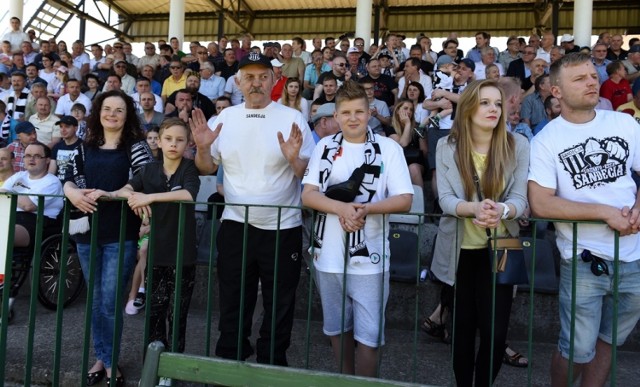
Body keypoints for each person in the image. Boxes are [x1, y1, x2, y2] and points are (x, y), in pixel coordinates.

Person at [191, 53, 315, 366]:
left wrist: (293, 160)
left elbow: (307, 176)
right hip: (235, 226)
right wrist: (204, 148)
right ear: (239, 82)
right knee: (233, 299)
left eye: (262, 76)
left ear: (274, 79)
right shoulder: (225, 118)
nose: (256, 83)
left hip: (282, 227)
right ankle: (230, 362)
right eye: (249, 77)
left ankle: (272, 364)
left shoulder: (292, 118)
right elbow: (206, 168)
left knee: (280, 303)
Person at [528, 52, 640, 387]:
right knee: (576, 349)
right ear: (556, 91)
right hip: (583, 258)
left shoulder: (624, 123)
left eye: (593, 75)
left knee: (610, 340)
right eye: (579, 79)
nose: (591, 82)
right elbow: (540, 204)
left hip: (635, 256)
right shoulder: (547, 139)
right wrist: (605, 213)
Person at [301, 80, 413, 376]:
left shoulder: (388, 148)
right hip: (328, 257)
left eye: (359, 112)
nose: (353, 118)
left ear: (370, 113)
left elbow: (405, 199)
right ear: (335, 116)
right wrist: (342, 209)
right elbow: (308, 194)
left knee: (370, 336)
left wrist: (366, 209)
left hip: (371, 258)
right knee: (336, 329)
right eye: (346, 112)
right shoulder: (324, 146)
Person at [431, 79, 529, 387]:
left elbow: (520, 199)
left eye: (498, 104)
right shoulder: (446, 146)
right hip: (460, 251)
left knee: (496, 332)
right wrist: (472, 209)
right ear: (469, 106)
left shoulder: (518, 145)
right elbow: (445, 199)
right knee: (462, 329)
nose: (493, 109)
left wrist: (501, 211)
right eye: (485, 102)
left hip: (502, 247)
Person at [63, 90, 154, 387]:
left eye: (119, 110)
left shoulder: (136, 146)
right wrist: (74, 193)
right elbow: (68, 179)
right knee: (96, 300)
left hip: (120, 234)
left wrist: (112, 194)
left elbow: (144, 180)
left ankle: (110, 360)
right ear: (98, 112)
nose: (112, 114)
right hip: (87, 233)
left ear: (127, 115)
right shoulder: (85, 146)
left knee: (110, 302)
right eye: (107, 108)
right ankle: (102, 356)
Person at [97, 118, 200, 357]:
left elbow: (188, 194)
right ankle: (153, 365)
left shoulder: (189, 167)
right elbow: (127, 189)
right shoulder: (148, 169)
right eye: (168, 139)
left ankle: (172, 367)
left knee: (177, 315)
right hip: (156, 252)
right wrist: (123, 195)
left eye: (179, 139)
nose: (173, 144)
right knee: (155, 312)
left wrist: (149, 198)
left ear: (187, 143)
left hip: (182, 253)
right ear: (159, 142)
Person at [0, 142, 63, 264]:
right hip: (11, 217)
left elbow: (29, 206)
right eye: (28, 155)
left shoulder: (52, 182)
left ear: (47, 160)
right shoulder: (19, 176)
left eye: (37, 156)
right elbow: (3, 193)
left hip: (36, 223)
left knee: (2, 233)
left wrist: (10, 192)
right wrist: (13, 194)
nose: (31, 159)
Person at [385, 99, 427, 189]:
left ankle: (419, 201)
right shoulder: (390, 128)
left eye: (411, 110)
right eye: (405, 108)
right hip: (399, 163)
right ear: (397, 111)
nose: (408, 111)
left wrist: (420, 133)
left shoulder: (417, 127)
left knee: (413, 168)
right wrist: (407, 124)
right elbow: (403, 144)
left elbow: (424, 152)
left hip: (416, 163)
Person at [48, 115, 81, 180]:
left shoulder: (84, 147)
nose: (63, 130)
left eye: (67, 127)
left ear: (75, 128)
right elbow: (51, 172)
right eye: (61, 127)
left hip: (75, 187)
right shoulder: (57, 147)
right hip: (58, 185)